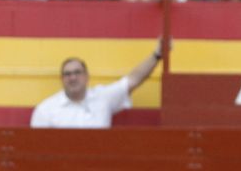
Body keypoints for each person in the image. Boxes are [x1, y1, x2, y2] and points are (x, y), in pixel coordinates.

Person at [30, 35, 163, 126]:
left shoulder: (103, 97)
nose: (73, 77)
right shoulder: (46, 109)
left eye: (77, 72)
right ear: (62, 79)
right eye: (67, 74)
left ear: (87, 76)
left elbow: (134, 79)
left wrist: (157, 55)